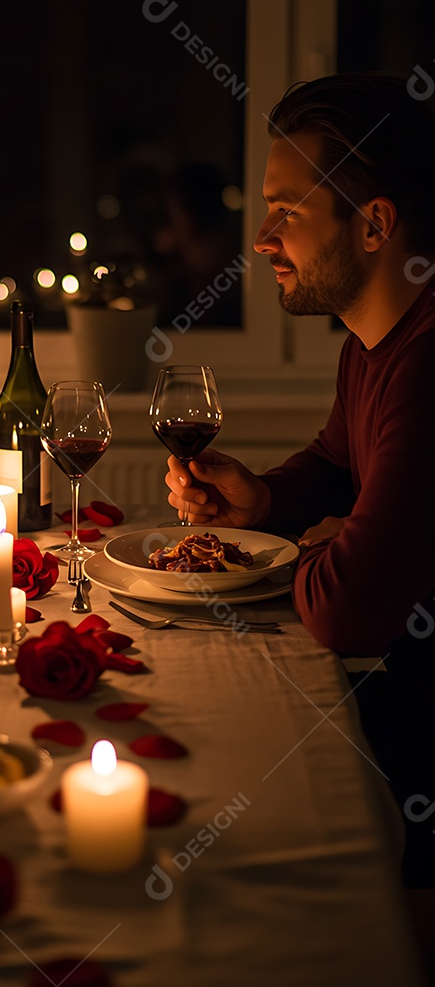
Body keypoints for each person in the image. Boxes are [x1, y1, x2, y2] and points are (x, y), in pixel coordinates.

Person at [164, 73, 435, 885]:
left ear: (374, 224)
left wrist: (313, 548)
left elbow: (350, 606)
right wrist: (271, 503)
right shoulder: (371, 344)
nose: (260, 240)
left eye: (286, 214)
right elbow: (335, 461)